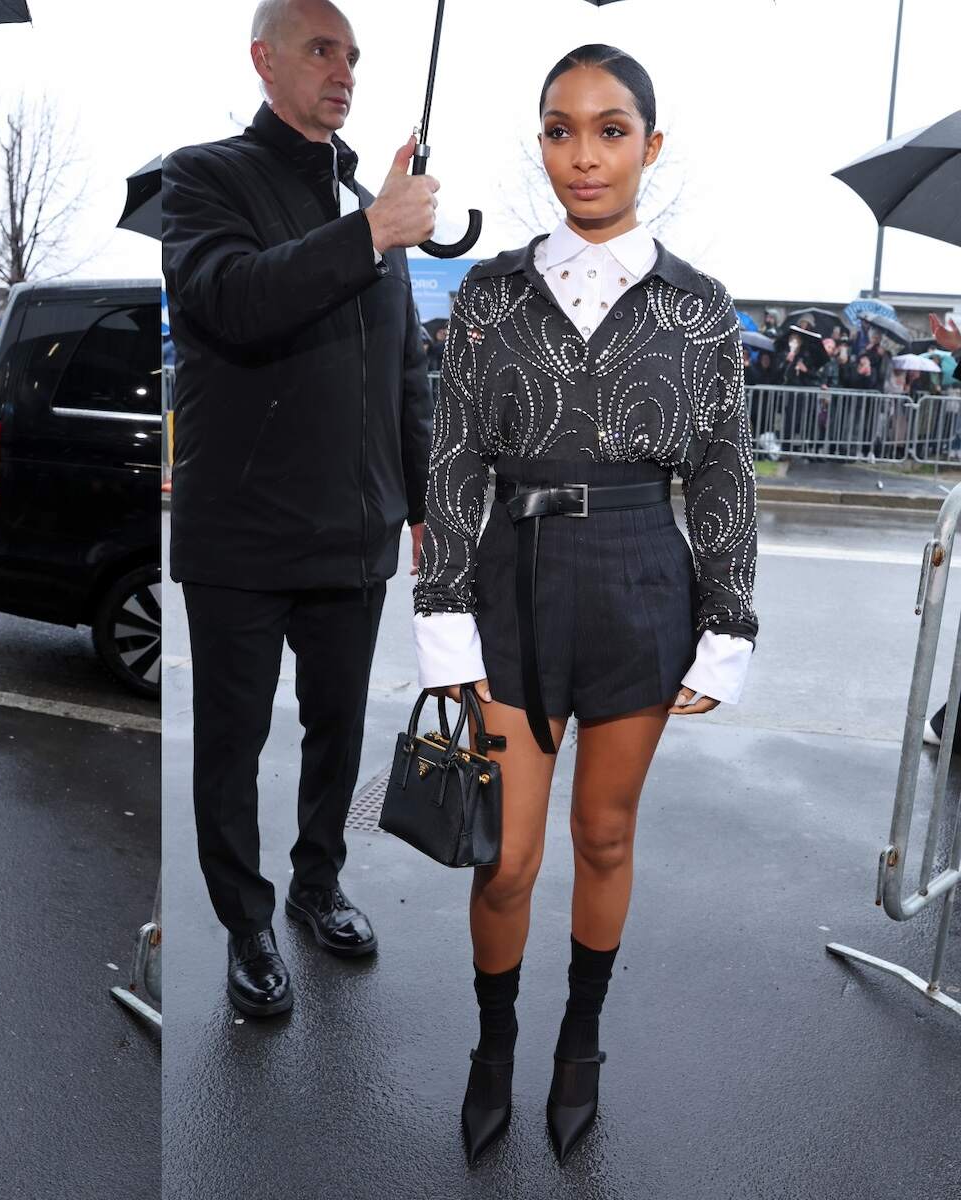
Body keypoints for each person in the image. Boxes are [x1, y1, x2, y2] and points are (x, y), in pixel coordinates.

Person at [414, 45, 756, 1166]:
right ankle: (492, 1045)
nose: (583, 154)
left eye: (610, 130)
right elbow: (456, 455)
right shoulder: (489, 292)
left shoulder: (700, 308)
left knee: (604, 835)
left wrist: (728, 619)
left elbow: (721, 472)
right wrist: (443, 609)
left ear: (650, 147)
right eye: (560, 129)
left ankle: (581, 1044)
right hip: (509, 580)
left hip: (641, 580)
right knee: (506, 860)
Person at [153, 0, 436, 1019]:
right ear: (264, 59)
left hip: (354, 528)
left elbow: (405, 365)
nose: (344, 69)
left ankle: (318, 884)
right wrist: (372, 232)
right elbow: (230, 299)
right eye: (322, 48)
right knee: (231, 741)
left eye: (353, 54)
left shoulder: (370, 199)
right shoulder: (204, 178)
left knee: (339, 728)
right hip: (241, 531)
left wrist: (422, 496)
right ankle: (245, 921)